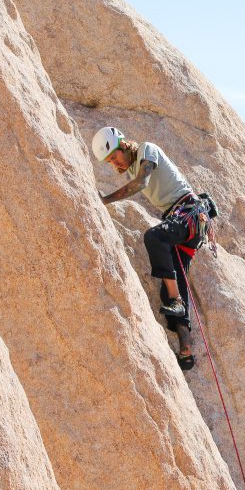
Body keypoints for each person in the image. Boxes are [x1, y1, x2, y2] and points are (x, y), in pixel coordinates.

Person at [93, 126, 205, 370]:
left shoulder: (147, 149)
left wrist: (105, 200)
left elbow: (142, 182)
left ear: (124, 145)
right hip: (181, 222)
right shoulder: (133, 166)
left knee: (154, 238)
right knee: (171, 288)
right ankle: (186, 350)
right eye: (109, 161)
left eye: (114, 157)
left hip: (189, 213)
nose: (114, 164)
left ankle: (176, 300)